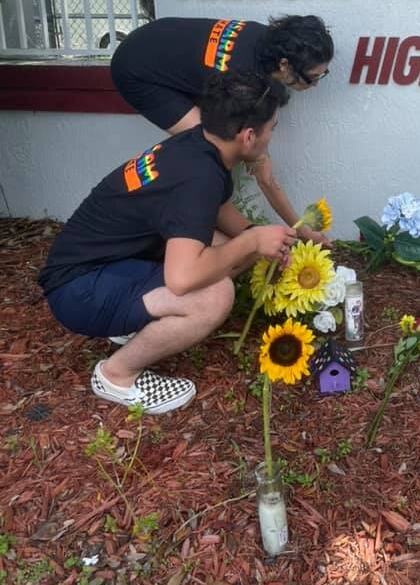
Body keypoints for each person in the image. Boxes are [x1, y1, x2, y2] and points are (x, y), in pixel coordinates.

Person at [38, 71, 297, 415]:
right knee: (215, 296)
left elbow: (216, 209)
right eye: (272, 129)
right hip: (79, 290)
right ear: (248, 136)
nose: (271, 138)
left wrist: (253, 233)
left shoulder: (199, 145)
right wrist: (252, 240)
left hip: (103, 263)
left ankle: (134, 320)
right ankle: (118, 374)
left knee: (227, 246)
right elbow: (182, 278)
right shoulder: (197, 178)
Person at [110, 14, 334, 244]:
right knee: (212, 148)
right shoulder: (244, 77)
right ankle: (200, 235)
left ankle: (239, 234)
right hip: (136, 70)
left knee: (230, 146)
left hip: (152, 41)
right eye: (312, 78)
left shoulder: (269, 43)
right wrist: (303, 231)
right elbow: (265, 175)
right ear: (285, 65)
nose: (315, 85)